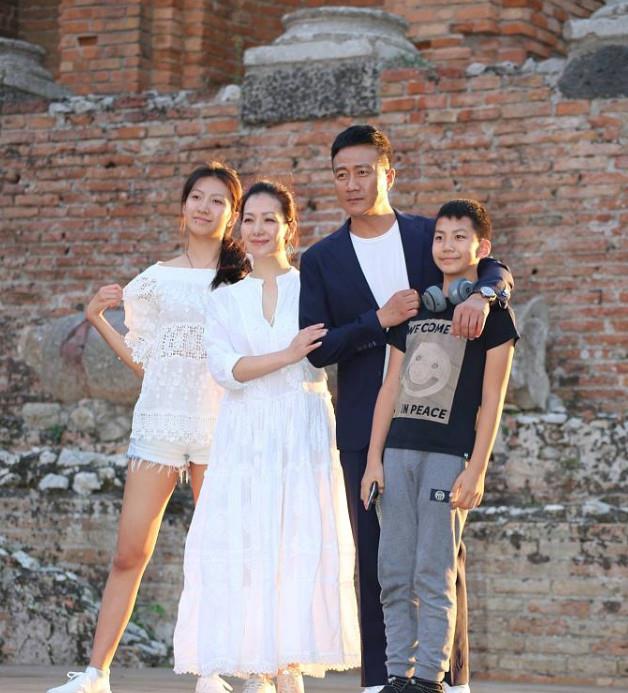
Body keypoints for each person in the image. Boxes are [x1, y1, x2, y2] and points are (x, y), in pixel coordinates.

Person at [299, 125, 514, 693]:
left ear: (388, 174)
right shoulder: (320, 258)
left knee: (444, 560)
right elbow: (317, 347)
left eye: (362, 171)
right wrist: (379, 320)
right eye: (340, 174)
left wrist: (486, 295)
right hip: (366, 427)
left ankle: (449, 680)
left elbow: (492, 265)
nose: (351, 183)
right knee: (378, 559)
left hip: (442, 427)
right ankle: (382, 680)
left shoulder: (427, 235)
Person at [47, 162, 249, 693]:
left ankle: (211, 672)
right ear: (183, 205)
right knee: (129, 552)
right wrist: (97, 319)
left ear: (232, 215)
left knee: (214, 555)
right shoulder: (155, 279)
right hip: (160, 422)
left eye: (218, 201)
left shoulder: (243, 281)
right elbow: (146, 362)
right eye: (197, 197)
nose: (205, 207)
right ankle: (96, 674)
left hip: (220, 427)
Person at [173, 180, 360, 693]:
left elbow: (341, 342)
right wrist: (288, 352)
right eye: (249, 220)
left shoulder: (312, 287)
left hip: (303, 425)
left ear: (288, 227)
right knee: (249, 540)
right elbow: (227, 370)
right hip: (245, 431)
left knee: (298, 540)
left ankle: (289, 665)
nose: (258, 229)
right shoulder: (225, 298)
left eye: (269, 220)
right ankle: (256, 667)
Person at [361, 199, 518, 693]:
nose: (447, 246)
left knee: (434, 572)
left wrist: (477, 469)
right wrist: (373, 461)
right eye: (440, 237)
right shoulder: (412, 312)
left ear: (481, 247)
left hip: (449, 459)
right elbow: (389, 388)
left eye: (459, 237)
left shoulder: (493, 317)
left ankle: (429, 679)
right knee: (393, 573)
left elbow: (492, 400)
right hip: (397, 455)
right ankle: (398, 676)